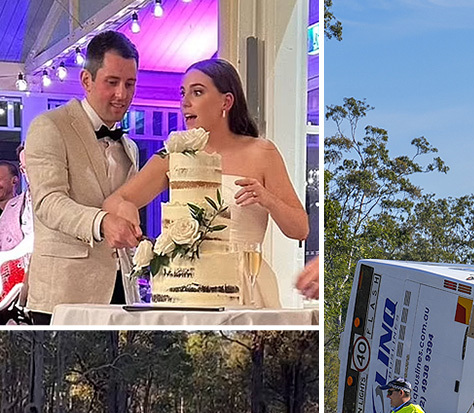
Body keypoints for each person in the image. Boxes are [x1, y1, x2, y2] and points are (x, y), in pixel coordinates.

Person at [102, 58, 309, 308]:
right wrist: (125, 209)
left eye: (197, 92)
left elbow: (300, 229)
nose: (185, 102)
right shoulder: (172, 157)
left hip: (248, 284)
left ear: (226, 101)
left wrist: (267, 198)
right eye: (183, 93)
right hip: (189, 289)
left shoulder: (262, 152)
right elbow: (114, 201)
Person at [23, 31, 144, 323]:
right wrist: (102, 223)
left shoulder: (130, 148)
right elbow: (48, 202)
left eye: (130, 84)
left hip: (121, 295)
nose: (122, 94)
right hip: (63, 295)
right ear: (86, 81)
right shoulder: (49, 126)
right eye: (112, 82)